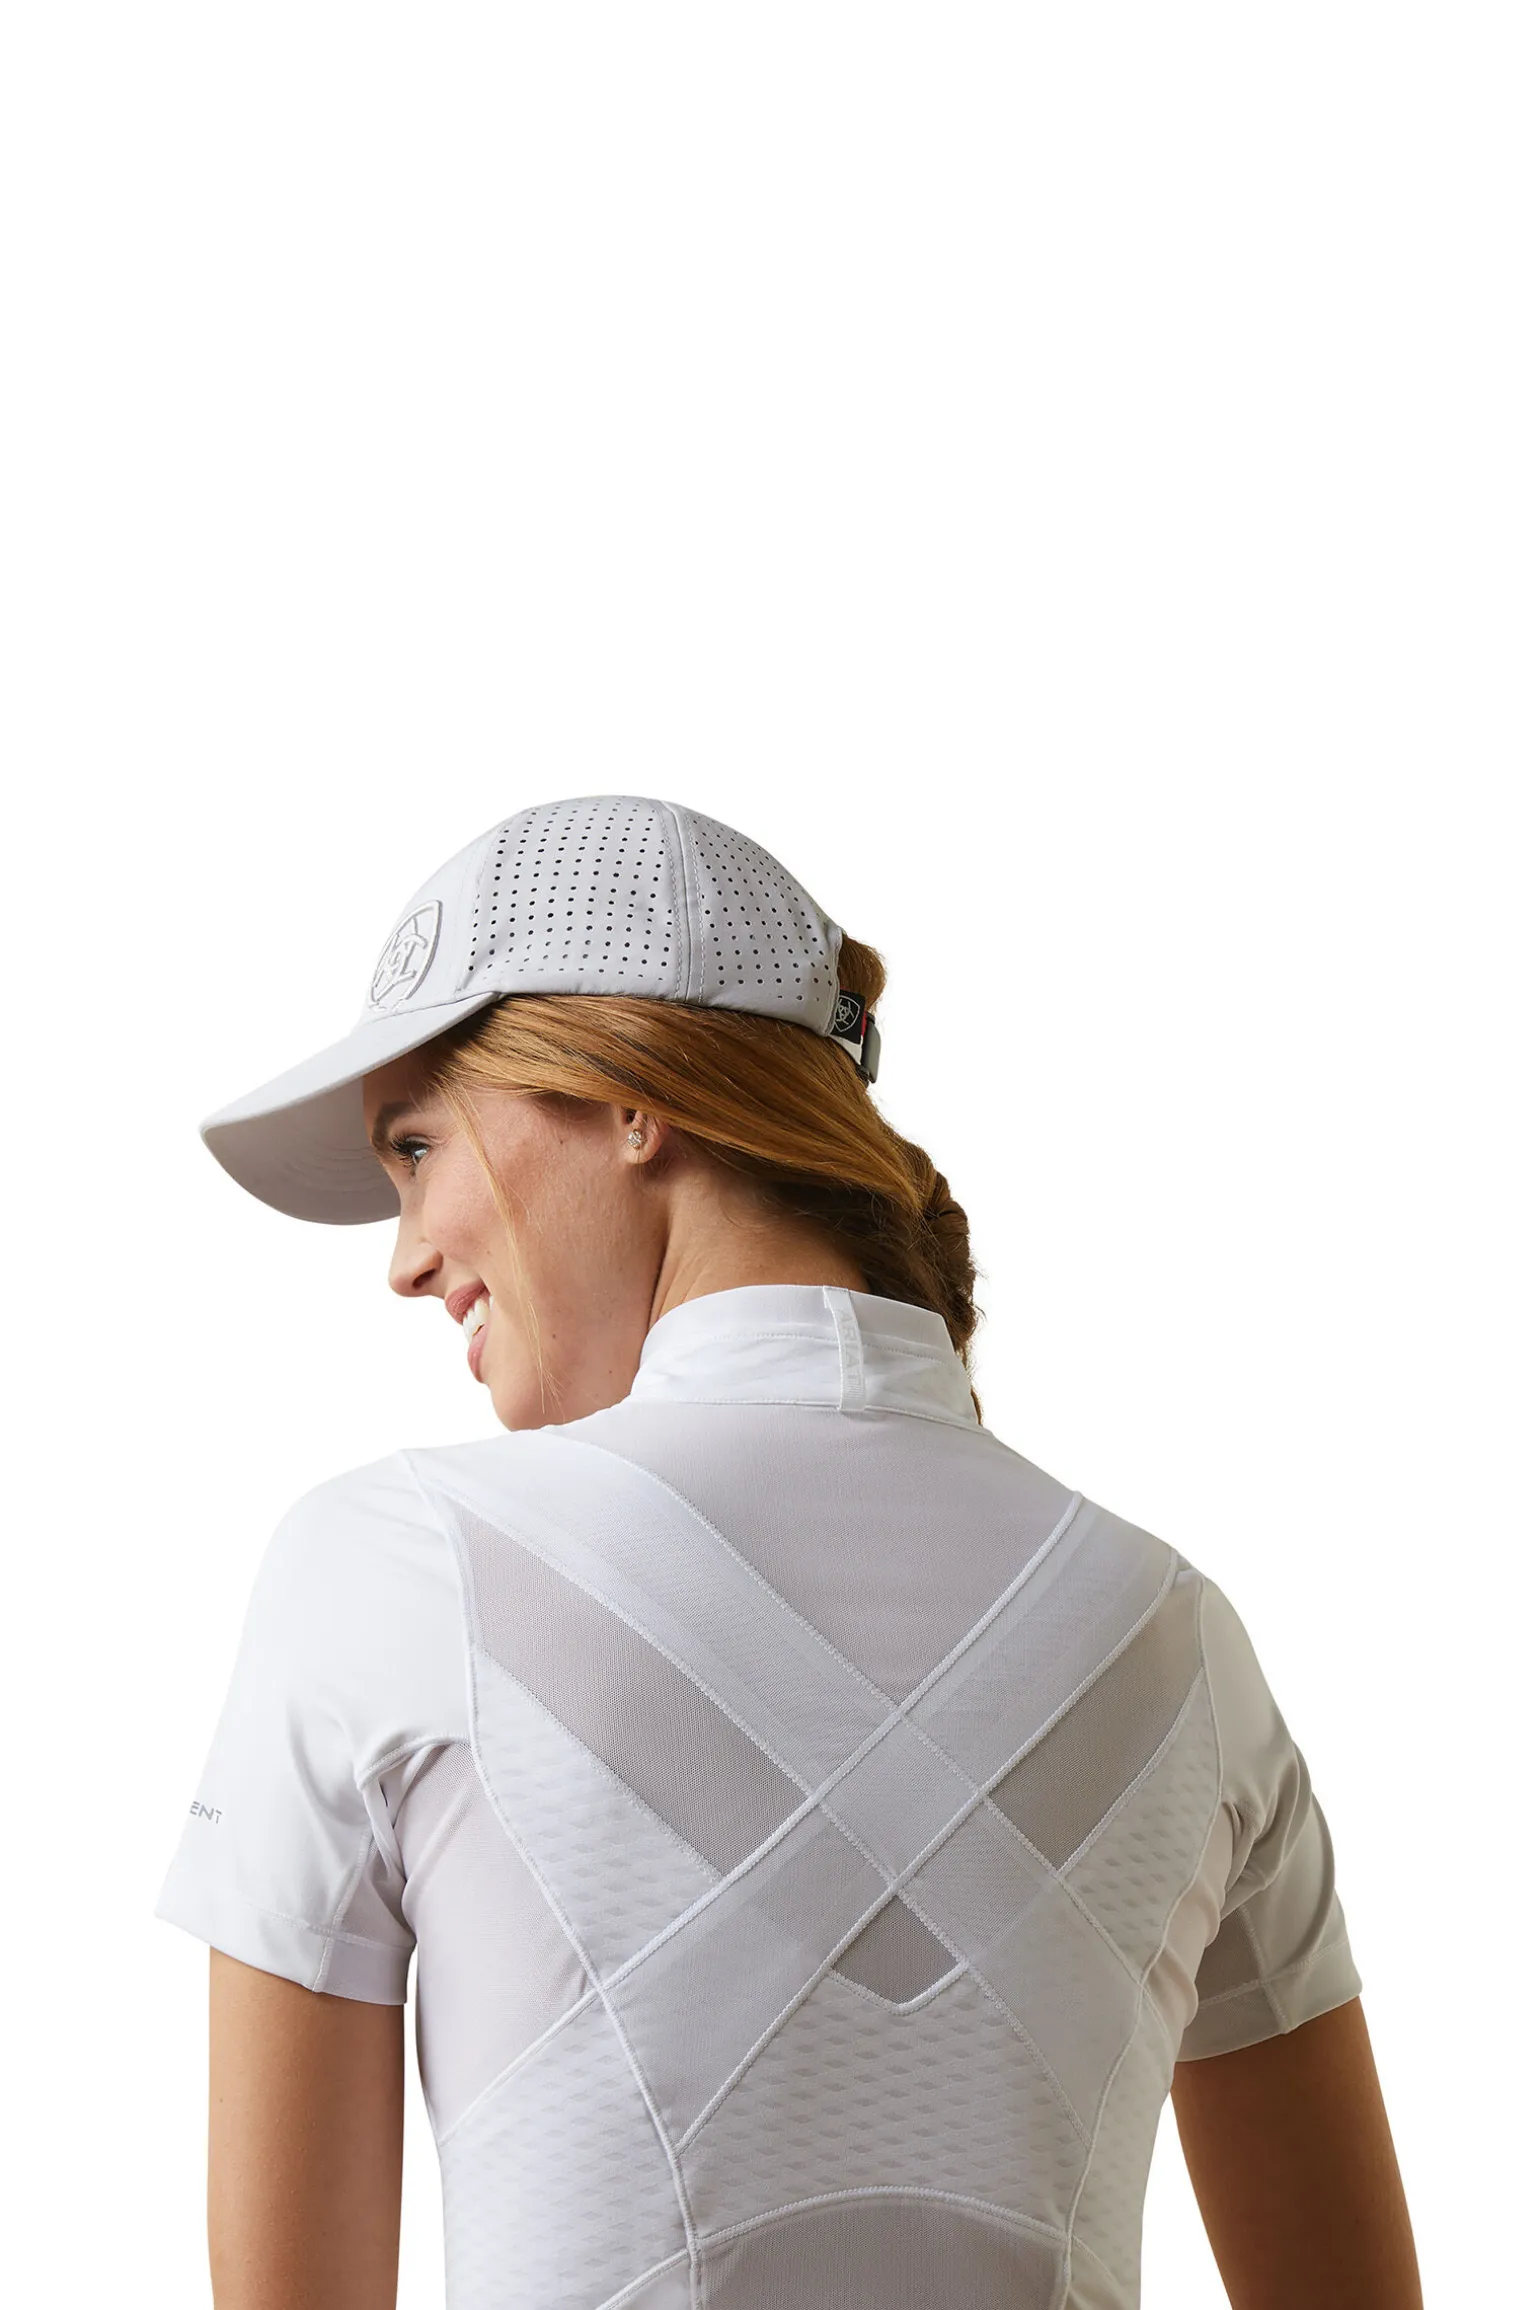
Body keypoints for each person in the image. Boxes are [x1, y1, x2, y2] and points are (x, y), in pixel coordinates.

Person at [154, 794, 1422, 2309]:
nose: (406, 1255)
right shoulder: (1180, 1637)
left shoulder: (390, 1568)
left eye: (417, 1146)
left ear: (632, 1099)